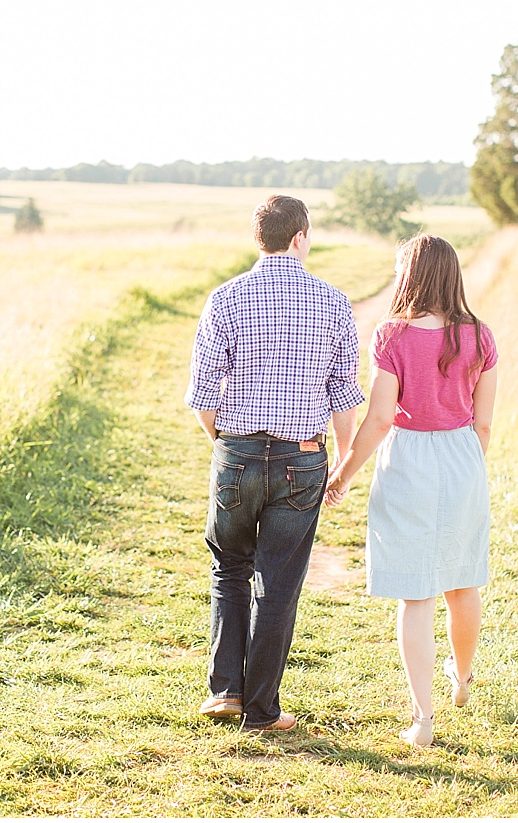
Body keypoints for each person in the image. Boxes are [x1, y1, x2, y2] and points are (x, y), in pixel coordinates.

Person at [185, 194, 364, 732]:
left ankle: (225, 691)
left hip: (236, 452)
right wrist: (338, 462)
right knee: (279, 583)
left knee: (229, 568)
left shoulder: (225, 298)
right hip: (301, 458)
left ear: (257, 238)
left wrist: (229, 443)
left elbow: (201, 398)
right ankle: (262, 709)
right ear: (301, 236)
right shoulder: (332, 301)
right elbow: (343, 396)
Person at [324, 234, 498, 748]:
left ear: (410, 275)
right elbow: (484, 425)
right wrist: (464, 466)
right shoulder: (480, 336)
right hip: (463, 454)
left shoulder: (392, 335)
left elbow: (379, 419)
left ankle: (422, 720)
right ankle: (462, 679)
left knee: (415, 597)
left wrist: (345, 473)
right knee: (463, 583)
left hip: (409, 459)